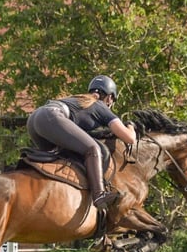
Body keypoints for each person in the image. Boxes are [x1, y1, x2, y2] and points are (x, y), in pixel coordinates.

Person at [26, 75, 136, 209]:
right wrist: (131, 126)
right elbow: (129, 138)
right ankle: (99, 195)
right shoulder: (100, 106)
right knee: (93, 148)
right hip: (51, 116)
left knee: (60, 160)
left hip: (35, 119)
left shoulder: (81, 100)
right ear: (110, 97)